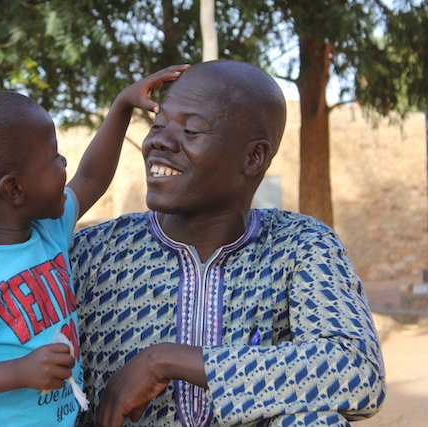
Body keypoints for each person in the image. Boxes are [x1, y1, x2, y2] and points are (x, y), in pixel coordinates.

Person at [70, 60, 386, 427]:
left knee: (314, 420)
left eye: (190, 130)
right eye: (157, 125)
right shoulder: (92, 253)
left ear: (254, 157)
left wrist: (165, 361)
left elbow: (358, 372)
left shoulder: (299, 245)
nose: (158, 140)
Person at [0, 64, 190, 427]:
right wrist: (19, 372)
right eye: (55, 158)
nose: (65, 163)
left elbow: (91, 177)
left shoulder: (46, 229)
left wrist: (122, 106)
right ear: (14, 189)